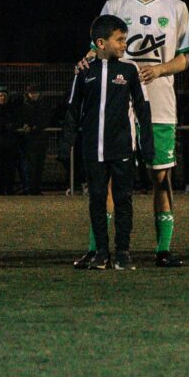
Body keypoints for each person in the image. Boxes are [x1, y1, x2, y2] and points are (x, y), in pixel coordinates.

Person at [93, 0, 189, 267]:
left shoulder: (176, 7)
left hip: (160, 107)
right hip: (118, 109)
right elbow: (99, 51)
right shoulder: (114, 6)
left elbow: (184, 60)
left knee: (160, 177)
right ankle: (100, 249)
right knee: (108, 178)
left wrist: (161, 69)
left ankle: (162, 250)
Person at [62, 15, 154, 271]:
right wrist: (66, 143)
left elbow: (143, 109)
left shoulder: (129, 70)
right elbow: (72, 109)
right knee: (97, 200)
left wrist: (147, 145)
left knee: (124, 200)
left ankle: (123, 252)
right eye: (120, 39)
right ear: (100, 43)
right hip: (93, 148)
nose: (125, 44)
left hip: (122, 148)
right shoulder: (84, 71)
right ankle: (101, 253)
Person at [17, 83, 56, 194]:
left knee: (39, 165)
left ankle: (35, 188)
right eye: (31, 93)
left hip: (39, 140)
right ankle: (29, 188)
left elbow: (47, 118)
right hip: (28, 140)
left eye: (35, 93)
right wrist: (25, 125)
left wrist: (37, 126)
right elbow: (19, 118)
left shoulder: (42, 105)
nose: (33, 95)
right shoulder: (23, 105)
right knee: (29, 166)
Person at [0, 88, 20, 195]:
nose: (3, 97)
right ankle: (0, 188)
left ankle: (9, 188)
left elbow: (16, 122)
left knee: (10, 167)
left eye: (4, 95)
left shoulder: (12, 109)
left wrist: (10, 127)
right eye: (1, 95)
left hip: (10, 143)